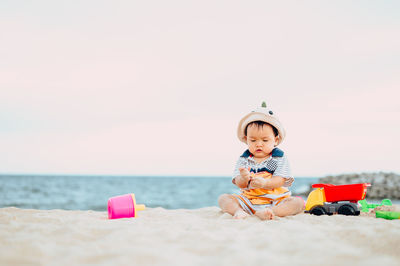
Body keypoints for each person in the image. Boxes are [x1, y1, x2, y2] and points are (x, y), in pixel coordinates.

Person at [218, 102, 305, 220]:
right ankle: (239, 211)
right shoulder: (244, 159)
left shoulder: (278, 157)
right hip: (248, 201)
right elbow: (239, 182)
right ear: (246, 139)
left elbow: (280, 180)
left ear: (275, 140)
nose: (259, 144)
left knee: (297, 203)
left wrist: (265, 183)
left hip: (275, 200)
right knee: (223, 198)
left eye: (264, 140)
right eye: (253, 140)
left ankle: (270, 212)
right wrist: (244, 178)